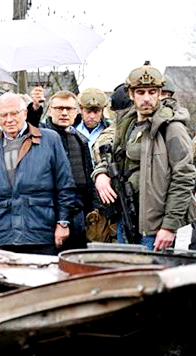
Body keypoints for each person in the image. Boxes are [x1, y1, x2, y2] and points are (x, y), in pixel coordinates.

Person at [93, 63, 196, 251]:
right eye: (140, 92)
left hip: (155, 228)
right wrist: (100, 175)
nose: (146, 98)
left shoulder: (172, 127)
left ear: (159, 93)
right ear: (131, 95)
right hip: (126, 217)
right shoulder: (127, 125)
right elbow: (110, 157)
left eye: (152, 92)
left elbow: (184, 177)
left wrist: (169, 226)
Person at [0, 93, 76, 255]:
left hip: (41, 232)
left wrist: (63, 222)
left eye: (14, 113)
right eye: (3, 115)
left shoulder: (49, 140)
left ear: (25, 113)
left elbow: (65, 186)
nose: (9, 120)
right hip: (3, 235)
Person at [44, 91, 96, 250]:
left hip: (79, 215)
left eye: (69, 109)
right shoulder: (40, 137)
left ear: (77, 111)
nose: (64, 113)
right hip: (49, 215)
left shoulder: (79, 139)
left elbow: (89, 176)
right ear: (50, 110)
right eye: (59, 108)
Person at [74, 88, 111, 155]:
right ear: (81, 110)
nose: (92, 116)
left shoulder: (111, 130)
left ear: (102, 111)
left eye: (96, 112)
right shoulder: (71, 129)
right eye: (88, 112)